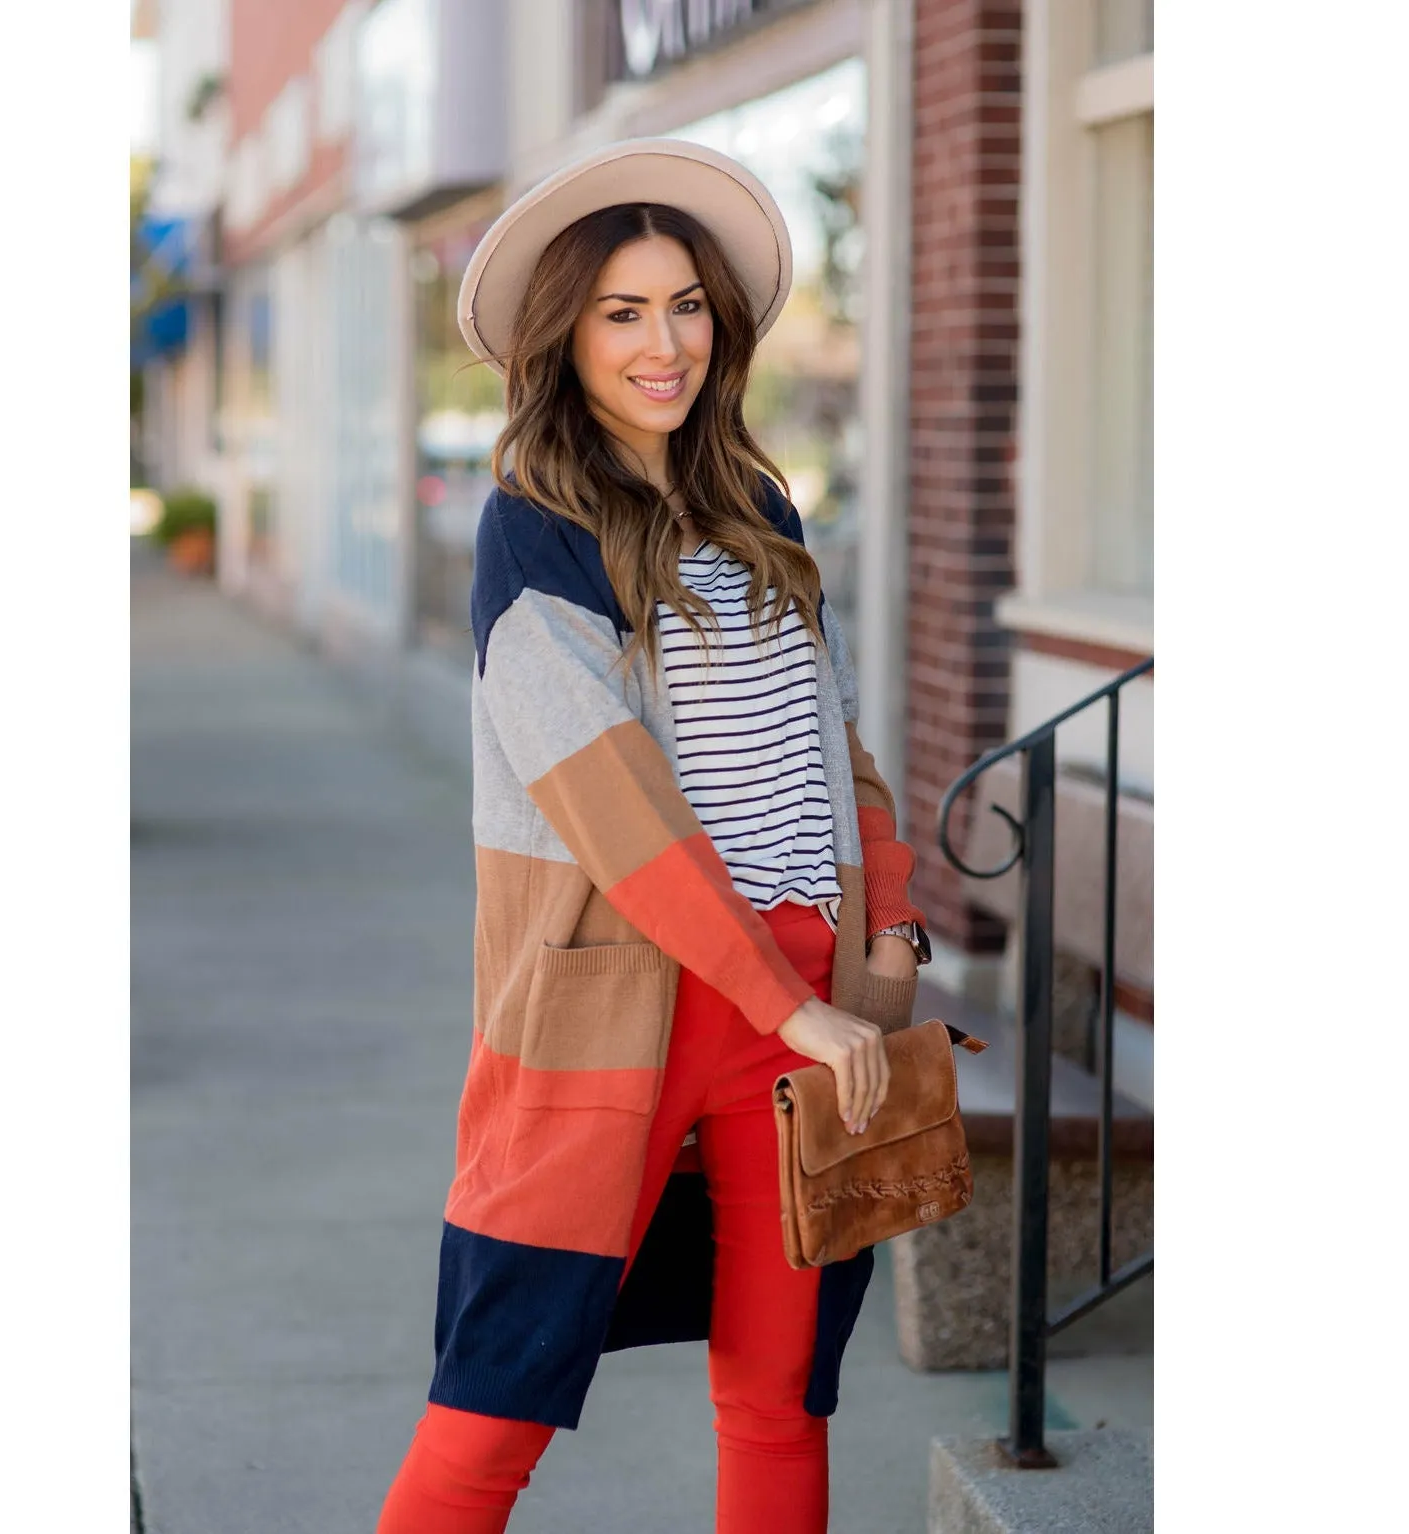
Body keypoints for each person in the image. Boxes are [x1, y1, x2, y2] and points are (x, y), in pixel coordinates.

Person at [376, 138, 931, 1534]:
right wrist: (781, 1006)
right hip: (618, 1009)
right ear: (565, 334)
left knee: (782, 1394)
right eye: (622, 311)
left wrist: (888, 932)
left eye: (684, 305)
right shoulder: (535, 528)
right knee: (492, 1396)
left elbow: (835, 745)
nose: (662, 341)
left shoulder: (758, 505)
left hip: (808, 1006)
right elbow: (609, 807)